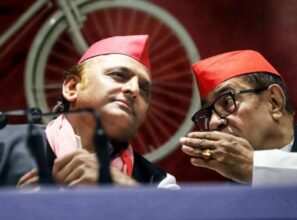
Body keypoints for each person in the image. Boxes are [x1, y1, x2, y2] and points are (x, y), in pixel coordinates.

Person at [1, 35, 178, 189]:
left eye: (144, 89)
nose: (134, 89)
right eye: (118, 75)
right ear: (72, 87)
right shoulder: (4, 144)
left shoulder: (159, 185)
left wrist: (126, 192)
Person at [180, 50, 297, 185]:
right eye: (208, 113)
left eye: (226, 102)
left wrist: (257, 166)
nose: (213, 123)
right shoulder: (231, 195)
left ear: (274, 102)